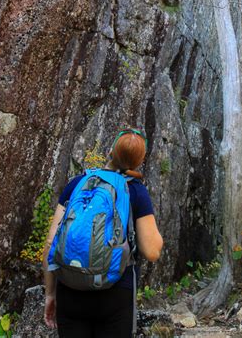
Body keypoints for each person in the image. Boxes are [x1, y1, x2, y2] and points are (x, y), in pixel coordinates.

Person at [43, 128, 163, 337]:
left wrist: (50, 294)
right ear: (137, 163)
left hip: (70, 290)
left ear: (110, 152)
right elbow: (152, 251)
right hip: (115, 293)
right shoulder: (135, 191)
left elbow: (51, 242)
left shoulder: (77, 184)